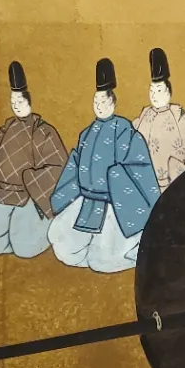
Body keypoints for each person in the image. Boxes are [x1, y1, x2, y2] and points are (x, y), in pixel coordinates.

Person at [48, 58, 160, 272]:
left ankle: (136, 248)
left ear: (112, 103)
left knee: (102, 261)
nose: (99, 107)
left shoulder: (124, 130)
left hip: (115, 204)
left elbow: (138, 166)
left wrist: (115, 175)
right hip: (85, 202)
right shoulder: (86, 133)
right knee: (66, 250)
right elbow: (75, 164)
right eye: (96, 102)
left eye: (103, 102)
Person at [0, 61, 68, 258]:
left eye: (20, 101)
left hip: (30, 196)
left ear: (29, 102)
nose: (16, 106)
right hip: (2, 193)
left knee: (25, 246)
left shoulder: (43, 131)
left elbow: (57, 165)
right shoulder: (6, 129)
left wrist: (30, 178)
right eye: (13, 102)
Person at [133, 48, 185, 192]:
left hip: (174, 182)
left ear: (168, 91)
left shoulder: (180, 116)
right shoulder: (144, 115)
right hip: (147, 182)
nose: (154, 95)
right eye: (152, 90)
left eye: (159, 90)